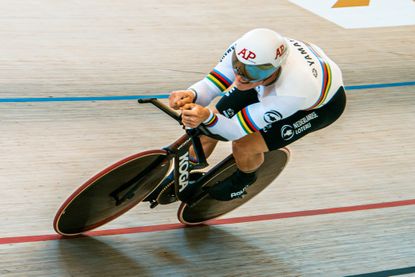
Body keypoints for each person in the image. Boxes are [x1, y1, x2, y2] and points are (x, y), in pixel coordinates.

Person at [167, 28, 346, 201]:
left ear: (276, 68)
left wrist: (206, 117)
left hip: (319, 106)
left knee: (244, 145)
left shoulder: (293, 90)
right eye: (237, 66)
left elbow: (235, 130)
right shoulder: (247, 53)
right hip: (271, 83)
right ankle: (187, 166)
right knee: (208, 128)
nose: (240, 77)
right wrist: (191, 94)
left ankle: (244, 179)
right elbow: (213, 83)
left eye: (252, 71)